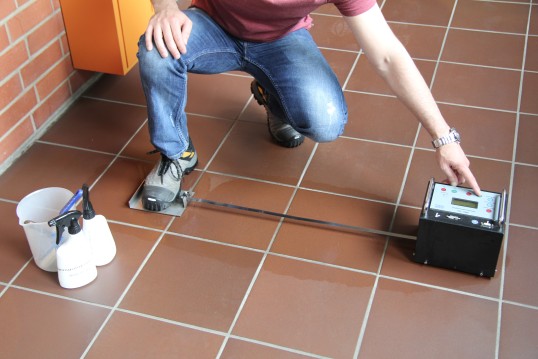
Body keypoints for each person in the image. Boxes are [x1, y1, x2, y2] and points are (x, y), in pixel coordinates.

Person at [138, 0, 481, 212]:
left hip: (282, 40)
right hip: (213, 27)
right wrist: (165, 7)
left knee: (326, 120)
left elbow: (388, 56)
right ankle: (176, 153)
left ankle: (273, 96)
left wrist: (443, 137)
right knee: (156, 52)